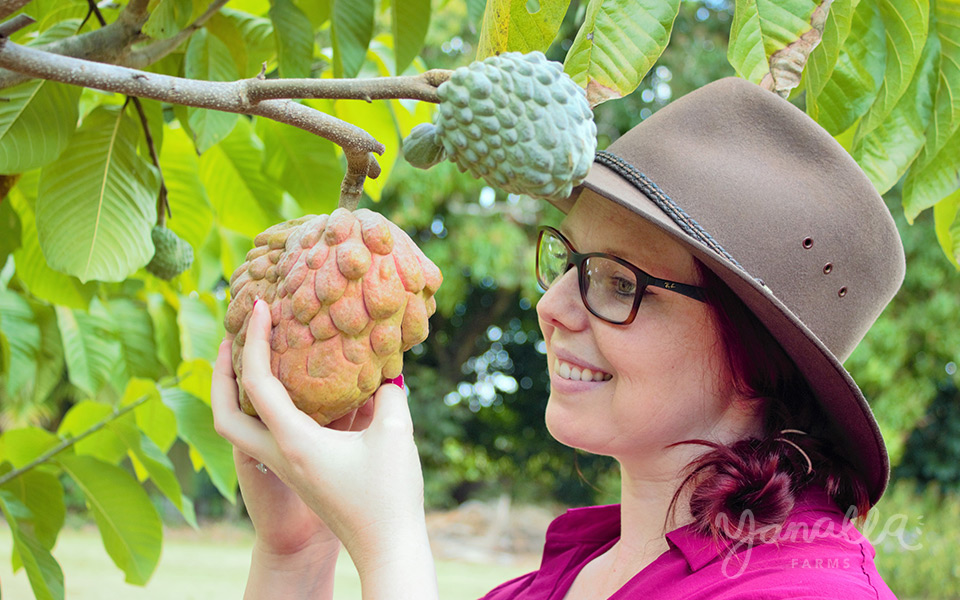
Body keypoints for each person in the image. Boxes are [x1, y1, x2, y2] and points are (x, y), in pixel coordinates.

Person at [211, 77, 904, 599]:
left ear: (756, 359)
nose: (552, 306)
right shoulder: (549, 584)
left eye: (617, 282)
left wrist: (391, 550)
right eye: (567, 261)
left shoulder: (811, 587)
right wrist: (299, 550)